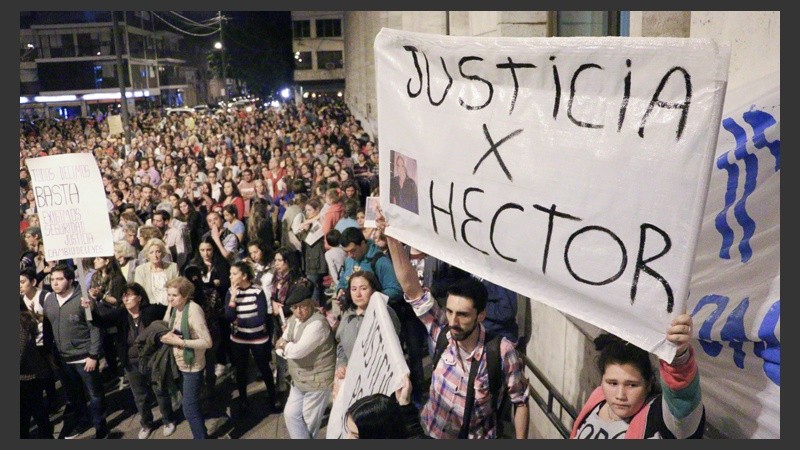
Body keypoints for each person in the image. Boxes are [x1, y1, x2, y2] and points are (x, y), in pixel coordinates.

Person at [385, 228, 530, 439]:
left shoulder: (501, 352)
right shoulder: (442, 333)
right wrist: (392, 238)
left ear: (481, 315)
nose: (453, 322)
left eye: (462, 315)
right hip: (428, 432)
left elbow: (520, 401)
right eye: (450, 311)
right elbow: (411, 288)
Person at [570, 314, 705, 439]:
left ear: (648, 384)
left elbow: (682, 402)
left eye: (632, 385)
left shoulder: (657, 418)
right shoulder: (597, 399)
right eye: (612, 383)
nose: (620, 395)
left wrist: (678, 358)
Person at [82, 283, 174, 439]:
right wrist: (89, 308)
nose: (126, 298)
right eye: (124, 296)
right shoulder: (121, 314)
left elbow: (169, 315)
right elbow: (101, 321)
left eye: (129, 295)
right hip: (131, 362)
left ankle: (168, 420)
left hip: (153, 360)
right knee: (140, 395)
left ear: (139, 297)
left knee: (160, 391)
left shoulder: (151, 311)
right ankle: (146, 424)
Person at [41, 264, 110, 439]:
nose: (55, 283)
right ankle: (82, 421)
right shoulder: (49, 300)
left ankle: (100, 426)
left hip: (85, 357)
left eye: (60, 279)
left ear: (70, 280)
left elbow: (95, 329)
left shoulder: (83, 300)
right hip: (63, 358)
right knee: (74, 396)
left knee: (95, 395)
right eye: (53, 279)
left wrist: (93, 355)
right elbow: (49, 326)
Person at [274, 281, 336, 439]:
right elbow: (280, 343)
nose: (299, 311)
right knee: (290, 415)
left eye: (303, 306)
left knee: (308, 425)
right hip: (300, 379)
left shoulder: (317, 324)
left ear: (311, 304)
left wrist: (284, 347)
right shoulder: (294, 321)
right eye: (295, 307)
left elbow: (295, 351)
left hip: (317, 382)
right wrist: (284, 346)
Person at [333, 271, 401, 400]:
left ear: (373, 290)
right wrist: (341, 364)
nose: (358, 294)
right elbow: (341, 345)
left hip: (379, 381)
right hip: (354, 380)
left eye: (363, 289)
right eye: (354, 289)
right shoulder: (347, 314)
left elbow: (393, 346)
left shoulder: (384, 313)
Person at [224, 262, 280, 416]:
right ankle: (243, 399)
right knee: (240, 370)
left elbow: (261, 318)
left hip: (258, 338)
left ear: (244, 275)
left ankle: (273, 396)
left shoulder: (257, 291)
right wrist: (233, 298)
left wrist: (239, 321)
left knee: (264, 368)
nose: (231, 276)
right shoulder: (230, 292)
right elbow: (228, 316)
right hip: (238, 339)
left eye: (234, 273)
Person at [160, 277, 213, 439]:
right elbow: (165, 324)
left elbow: (207, 342)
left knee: (189, 408)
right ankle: (201, 434)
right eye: (168, 294)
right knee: (193, 405)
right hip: (179, 363)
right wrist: (170, 307)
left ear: (185, 295)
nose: (170, 298)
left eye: (174, 295)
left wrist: (180, 342)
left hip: (192, 365)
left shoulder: (193, 310)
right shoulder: (176, 308)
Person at [20, 299, 54, 439]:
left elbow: (19, 351)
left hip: (26, 376)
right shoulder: (24, 319)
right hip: (28, 375)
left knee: (31, 411)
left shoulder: (20, 322)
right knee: (31, 411)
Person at [134, 238, 180, 307]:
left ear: (162, 253)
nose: (155, 255)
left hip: (170, 306)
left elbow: (178, 288)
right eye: (151, 252)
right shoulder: (140, 270)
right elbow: (139, 292)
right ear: (147, 254)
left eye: (158, 251)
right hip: (149, 307)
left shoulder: (173, 267)